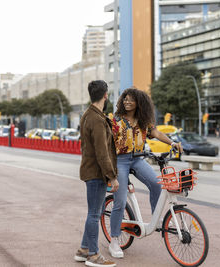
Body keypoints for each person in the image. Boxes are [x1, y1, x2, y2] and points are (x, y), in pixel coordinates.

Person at [108, 87, 182, 259]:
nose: (127, 101)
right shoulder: (115, 120)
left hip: (138, 159)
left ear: (138, 103)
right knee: (120, 200)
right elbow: (107, 141)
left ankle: (155, 220)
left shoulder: (142, 120)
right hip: (120, 161)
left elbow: (155, 132)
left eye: (130, 99)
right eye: (125, 99)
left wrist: (172, 143)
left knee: (157, 184)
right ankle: (114, 240)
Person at [74, 80, 119, 267]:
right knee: (94, 214)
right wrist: (112, 176)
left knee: (95, 211)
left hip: (90, 170)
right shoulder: (97, 119)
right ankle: (93, 255)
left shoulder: (88, 114)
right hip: (95, 173)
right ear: (105, 95)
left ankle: (84, 249)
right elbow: (102, 152)